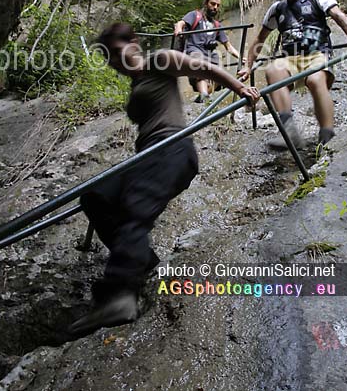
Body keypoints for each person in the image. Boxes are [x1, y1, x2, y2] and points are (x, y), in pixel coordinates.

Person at [69, 22, 260, 335]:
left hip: (172, 149)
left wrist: (240, 88)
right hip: (147, 157)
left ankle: (119, 294)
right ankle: (141, 261)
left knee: (134, 207)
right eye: (111, 59)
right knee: (95, 197)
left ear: (135, 43)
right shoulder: (136, 83)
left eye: (118, 52)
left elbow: (202, 68)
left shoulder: (159, 59)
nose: (117, 62)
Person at [238, 0, 347, 148]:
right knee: (273, 69)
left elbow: (339, 16)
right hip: (290, 59)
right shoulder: (276, 9)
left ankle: (327, 134)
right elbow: (260, 38)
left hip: (318, 54)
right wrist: (247, 66)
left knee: (315, 80)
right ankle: (290, 133)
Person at [174, 0, 243, 102]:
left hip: (211, 54)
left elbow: (228, 46)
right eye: (212, 4)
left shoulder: (217, 25)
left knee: (219, 73)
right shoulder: (195, 15)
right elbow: (180, 23)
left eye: (218, 5)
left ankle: (204, 97)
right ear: (206, 3)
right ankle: (204, 96)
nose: (215, 7)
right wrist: (178, 30)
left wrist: (241, 57)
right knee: (200, 65)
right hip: (194, 50)